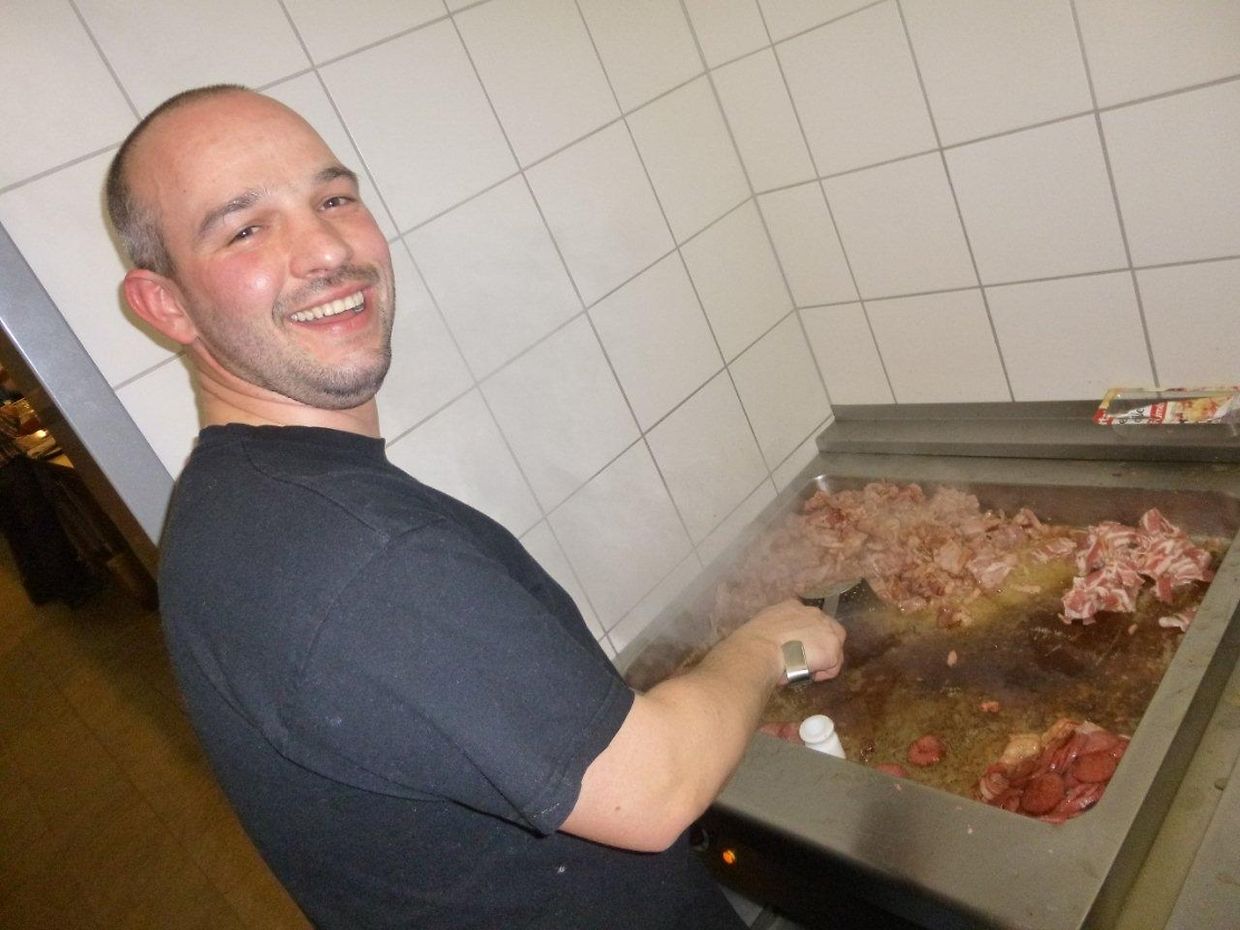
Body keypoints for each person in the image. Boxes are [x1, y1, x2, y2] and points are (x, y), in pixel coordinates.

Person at [108, 85, 846, 930]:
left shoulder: (236, 503)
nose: (325, 249)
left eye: (334, 199)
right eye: (245, 228)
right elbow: (656, 789)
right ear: (166, 304)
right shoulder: (359, 556)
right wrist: (763, 645)